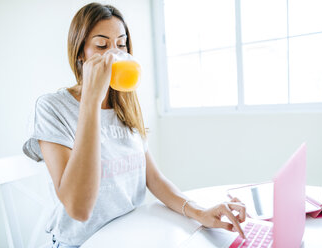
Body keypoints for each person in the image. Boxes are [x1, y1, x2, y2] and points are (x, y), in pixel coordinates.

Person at [22, 2, 246, 247]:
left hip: (129, 235)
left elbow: (154, 179)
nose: (115, 54)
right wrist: (90, 102)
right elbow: (79, 209)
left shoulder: (125, 105)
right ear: (80, 53)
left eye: (121, 44)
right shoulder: (52, 107)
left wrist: (198, 211)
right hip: (81, 242)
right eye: (101, 45)